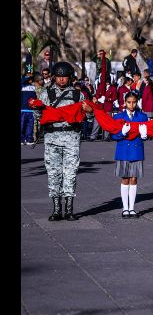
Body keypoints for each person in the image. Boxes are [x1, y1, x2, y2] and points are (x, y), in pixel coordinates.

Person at [37, 61, 94, 221]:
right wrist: (37, 111)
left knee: (70, 173)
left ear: (70, 78)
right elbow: (39, 117)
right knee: (53, 173)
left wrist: (90, 112)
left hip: (71, 138)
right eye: (59, 77)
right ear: (54, 77)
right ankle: (56, 209)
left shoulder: (78, 95)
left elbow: (88, 118)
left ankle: (69, 209)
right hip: (52, 138)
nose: (62, 80)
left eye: (65, 77)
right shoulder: (45, 94)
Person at [111, 92, 148, 218]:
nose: (131, 105)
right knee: (125, 178)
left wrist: (144, 136)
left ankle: (132, 208)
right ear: (124, 102)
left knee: (134, 178)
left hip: (137, 150)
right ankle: (125, 208)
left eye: (133, 102)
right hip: (123, 151)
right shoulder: (118, 117)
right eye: (129, 102)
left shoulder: (142, 116)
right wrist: (121, 132)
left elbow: (146, 134)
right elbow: (113, 135)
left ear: (137, 102)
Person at [21, 75, 36, 145]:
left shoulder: (33, 87)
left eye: (31, 79)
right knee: (23, 125)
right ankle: (22, 139)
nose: (30, 80)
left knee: (30, 125)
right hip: (23, 109)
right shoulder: (22, 86)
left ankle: (29, 139)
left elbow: (35, 98)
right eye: (29, 79)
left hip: (30, 109)